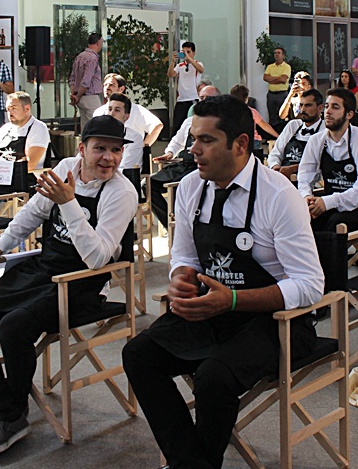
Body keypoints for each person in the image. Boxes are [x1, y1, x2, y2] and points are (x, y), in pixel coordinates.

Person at [122, 95, 324, 469]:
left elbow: (310, 285)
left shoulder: (280, 197)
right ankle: (192, 463)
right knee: (138, 355)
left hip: (276, 323)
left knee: (214, 377)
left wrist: (233, 301)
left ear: (241, 144)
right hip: (212, 310)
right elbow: (184, 254)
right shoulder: (189, 189)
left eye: (206, 140)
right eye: (193, 138)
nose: (192, 150)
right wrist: (180, 276)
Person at [0, 115, 138, 457]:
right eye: (100, 149)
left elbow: (97, 259)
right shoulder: (67, 167)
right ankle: (8, 410)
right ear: (82, 149)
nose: (108, 158)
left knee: (13, 326)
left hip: (81, 285)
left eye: (115, 150)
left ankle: (9, 416)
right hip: (41, 270)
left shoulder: (121, 192)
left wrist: (68, 203)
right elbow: (33, 213)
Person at [297, 88, 358, 233]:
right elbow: (305, 175)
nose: (328, 112)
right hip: (328, 202)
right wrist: (307, 198)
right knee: (301, 219)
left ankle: (328, 256)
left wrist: (329, 202)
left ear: (349, 114)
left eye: (335, 107)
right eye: (327, 106)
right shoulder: (316, 140)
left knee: (334, 223)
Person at [150, 84, 221, 229]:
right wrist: (169, 153)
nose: (204, 101)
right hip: (185, 164)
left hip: (204, 167)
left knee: (184, 188)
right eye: (201, 98)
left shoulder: (222, 121)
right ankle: (172, 227)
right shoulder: (190, 121)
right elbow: (177, 141)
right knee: (148, 186)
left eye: (209, 98)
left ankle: (187, 226)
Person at [93, 73, 164, 166]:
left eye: (111, 85)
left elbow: (157, 125)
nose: (107, 87)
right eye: (105, 85)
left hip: (128, 159)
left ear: (121, 89)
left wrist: (143, 147)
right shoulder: (98, 112)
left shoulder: (136, 109)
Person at [0, 91, 50, 171]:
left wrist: (2, 170)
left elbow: (30, 164)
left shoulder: (38, 128)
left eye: (14, 108)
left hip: (25, 179)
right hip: (0, 176)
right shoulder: (5, 129)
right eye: (8, 109)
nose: (10, 113)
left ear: (27, 109)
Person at [267, 88, 323, 181]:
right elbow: (275, 153)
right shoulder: (293, 125)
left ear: (320, 107)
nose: (303, 109)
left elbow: (320, 164)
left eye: (308, 105)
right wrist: (275, 167)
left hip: (310, 182)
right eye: (301, 105)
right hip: (283, 179)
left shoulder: (325, 129)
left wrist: (293, 169)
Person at [229, 84, 278, 160]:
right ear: (246, 99)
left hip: (235, 140)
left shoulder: (228, 112)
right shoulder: (251, 111)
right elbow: (264, 126)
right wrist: (278, 136)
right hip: (253, 139)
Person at [69, 32, 104, 125]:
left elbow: (72, 78)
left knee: (85, 127)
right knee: (97, 125)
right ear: (98, 43)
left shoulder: (80, 56)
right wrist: (78, 96)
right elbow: (86, 80)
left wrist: (74, 94)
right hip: (90, 96)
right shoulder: (92, 58)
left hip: (80, 97)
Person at [105, 93, 145, 173]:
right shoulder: (98, 133)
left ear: (126, 117)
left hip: (120, 181)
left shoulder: (134, 138)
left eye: (117, 110)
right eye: (110, 109)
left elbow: (125, 168)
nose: (111, 114)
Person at [168, 40, 204, 130]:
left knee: (192, 126)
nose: (186, 55)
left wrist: (189, 59)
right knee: (178, 127)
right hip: (181, 100)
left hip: (193, 99)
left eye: (188, 52)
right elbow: (170, 74)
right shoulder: (180, 66)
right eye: (184, 52)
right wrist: (172, 62)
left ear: (194, 53)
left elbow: (201, 70)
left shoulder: (198, 64)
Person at [262, 46, 292, 132]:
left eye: (279, 53)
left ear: (283, 55)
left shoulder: (287, 67)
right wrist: (277, 78)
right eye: (275, 53)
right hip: (271, 94)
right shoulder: (270, 66)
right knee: (272, 116)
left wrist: (271, 79)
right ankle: (273, 135)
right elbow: (265, 78)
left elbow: (283, 80)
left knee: (283, 116)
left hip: (282, 94)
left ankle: (282, 135)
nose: (276, 55)